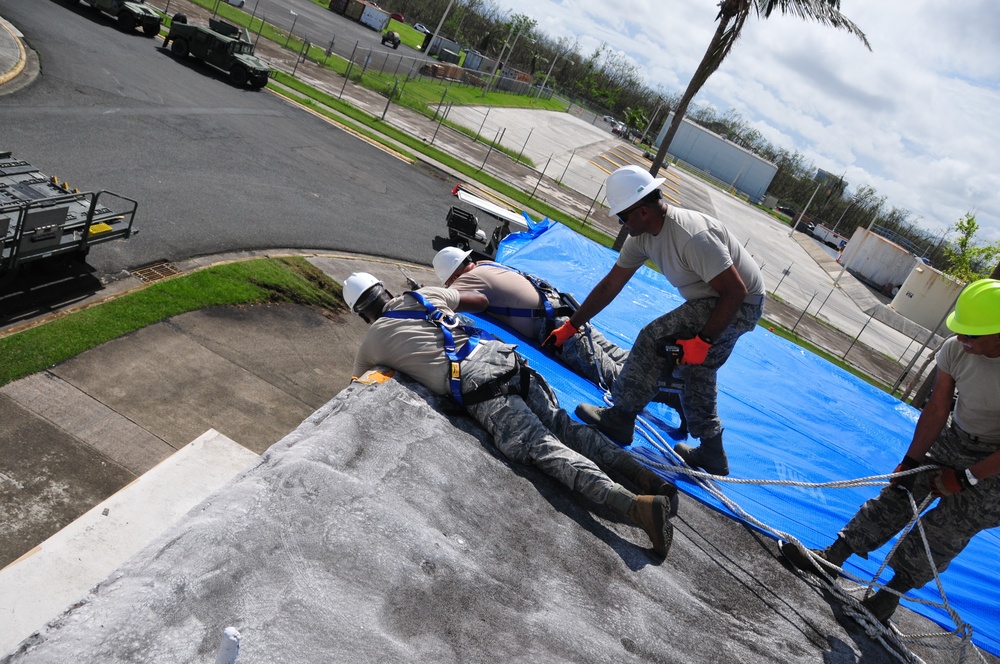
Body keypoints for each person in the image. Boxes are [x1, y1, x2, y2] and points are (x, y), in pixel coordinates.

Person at [344, 272, 679, 557]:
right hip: (504, 358)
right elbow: (477, 300)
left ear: (363, 316)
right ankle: (649, 479)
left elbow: (355, 387)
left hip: (478, 386)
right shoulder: (422, 296)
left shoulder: (372, 341)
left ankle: (637, 507)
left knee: (545, 448)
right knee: (564, 426)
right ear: (385, 291)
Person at [780, 278, 1000, 623]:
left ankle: (887, 599)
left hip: (996, 464)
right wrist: (911, 461)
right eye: (961, 331)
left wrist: (967, 478)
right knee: (899, 491)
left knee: (947, 527)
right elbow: (937, 409)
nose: (963, 340)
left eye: (973, 335)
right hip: (958, 437)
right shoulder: (956, 349)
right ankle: (833, 556)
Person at [545, 165, 765, 477]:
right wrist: (571, 326)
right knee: (696, 370)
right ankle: (712, 451)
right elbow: (611, 284)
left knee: (652, 337)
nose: (621, 223)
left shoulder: (692, 236)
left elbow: (734, 292)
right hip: (715, 300)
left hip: (738, 303)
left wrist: (703, 342)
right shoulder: (643, 237)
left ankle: (620, 417)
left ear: (644, 211)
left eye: (623, 216)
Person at [432, 246, 628, 391]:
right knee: (618, 355)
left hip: (556, 329)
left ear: (452, 277)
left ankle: (650, 386)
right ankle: (653, 370)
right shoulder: (486, 264)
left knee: (617, 379)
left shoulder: (466, 279)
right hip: (565, 311)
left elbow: (469, 301)